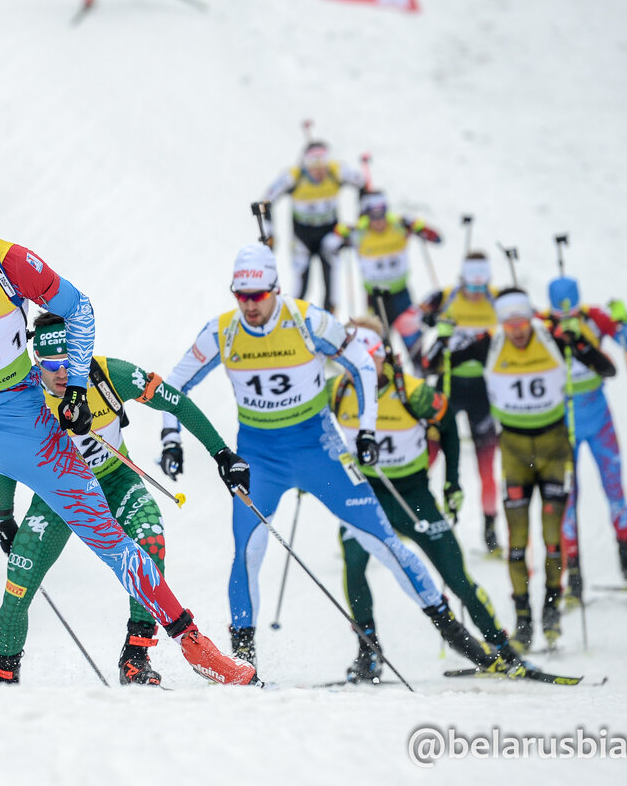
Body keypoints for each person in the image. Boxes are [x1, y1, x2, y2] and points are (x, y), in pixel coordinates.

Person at [0, 161, 255, 687]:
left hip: (23, 421)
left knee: (109, 538)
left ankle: (194, 644)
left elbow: (79, 310)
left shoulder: (7, 261)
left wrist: (75, 387)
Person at [162, 243, 508, 674]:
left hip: (319, 450)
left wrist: (366, 430)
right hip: (260, 458)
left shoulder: (307, 319)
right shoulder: (222, 331)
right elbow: (172, 384)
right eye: (241, 296)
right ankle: (243, 662)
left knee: (383, 542)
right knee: (248, 552)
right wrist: (170, 436)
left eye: (258, 295)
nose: (249, 305)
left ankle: (459, 637)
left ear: (276, 289)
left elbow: (362, 363)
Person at [0, 313, 246, 686]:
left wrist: (221, 453)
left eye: (70, 363)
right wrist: (3, 515)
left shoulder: (108, 374)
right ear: (36, 360)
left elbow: (175, 402)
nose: (62, 374)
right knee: (19, 582)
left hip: (115, 480)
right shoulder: (22, 396)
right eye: (51, 366)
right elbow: (4, 459)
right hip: (58, 497)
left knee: (150, 541)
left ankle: (135, 658)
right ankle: (3, 676)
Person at [329, 318, 519, 681]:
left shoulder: (414, 393)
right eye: (352, 361)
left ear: (383, 356)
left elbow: (448, 429)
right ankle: (368, 653)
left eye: (368, 360)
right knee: (353, 564)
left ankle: (502, 648)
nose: (360, 369)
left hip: (413, 494)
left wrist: (452, 483)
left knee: (455, 575)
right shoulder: (336, 390)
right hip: (366, 495)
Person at [427, 288, 616, 651]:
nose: (515, 330)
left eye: (521, 322)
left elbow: (607, 369)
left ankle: (552, 610)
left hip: (553, 448)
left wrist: (578, 341)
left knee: (552, 538)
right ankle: (524, 620)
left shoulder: (554, 340)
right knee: (517, 542)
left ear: (530, 319)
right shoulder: (490, 344)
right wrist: (443, 339)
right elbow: (434, 365)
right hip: (515, 451)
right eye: (508, 323)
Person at [546, 277, 627, 599]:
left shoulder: (595, 318)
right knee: (567, 496)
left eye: (572, 312)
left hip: (598, 418)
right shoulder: (543, 326)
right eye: (560, 313)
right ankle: (573, 574)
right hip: (562, 423)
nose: (567, 318)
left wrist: (625, 320)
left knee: (615, 487)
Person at [420, 252, 503, 553]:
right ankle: (410, 512)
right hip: (449, 385)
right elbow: (417, 317)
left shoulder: (497, 300)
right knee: (428, 454)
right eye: (472, 286)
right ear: (462, 280)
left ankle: (490, 530)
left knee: (487, 467)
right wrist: (431, 320)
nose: (477, 293)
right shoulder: (447, 296)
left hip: (483, 389)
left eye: (482, 286)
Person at [334, 191, 441, 367]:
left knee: (415, 349)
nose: (378, 221)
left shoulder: (399, 227)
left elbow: (436, 238)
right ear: (366, 215)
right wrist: (341, 232)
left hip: (401, 295)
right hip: (376, 299)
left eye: (382, 214)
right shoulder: (359, 233)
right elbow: (330, 245)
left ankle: (419, 376)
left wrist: (418, 225)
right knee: (379, 351)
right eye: (373, 216)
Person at [259, 140, 365, 313]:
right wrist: (269, 233)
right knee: (300, 287)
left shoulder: (337, 171)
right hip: (302, 238)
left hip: (329, 235)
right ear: (306, 165)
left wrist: (359, 225)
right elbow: (266, 200)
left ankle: (330, 321)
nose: (319, 172)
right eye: (314, 168)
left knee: (332, 287)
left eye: (323, 167)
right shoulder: (293, 176)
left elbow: (365, 187)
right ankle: (292, 319)